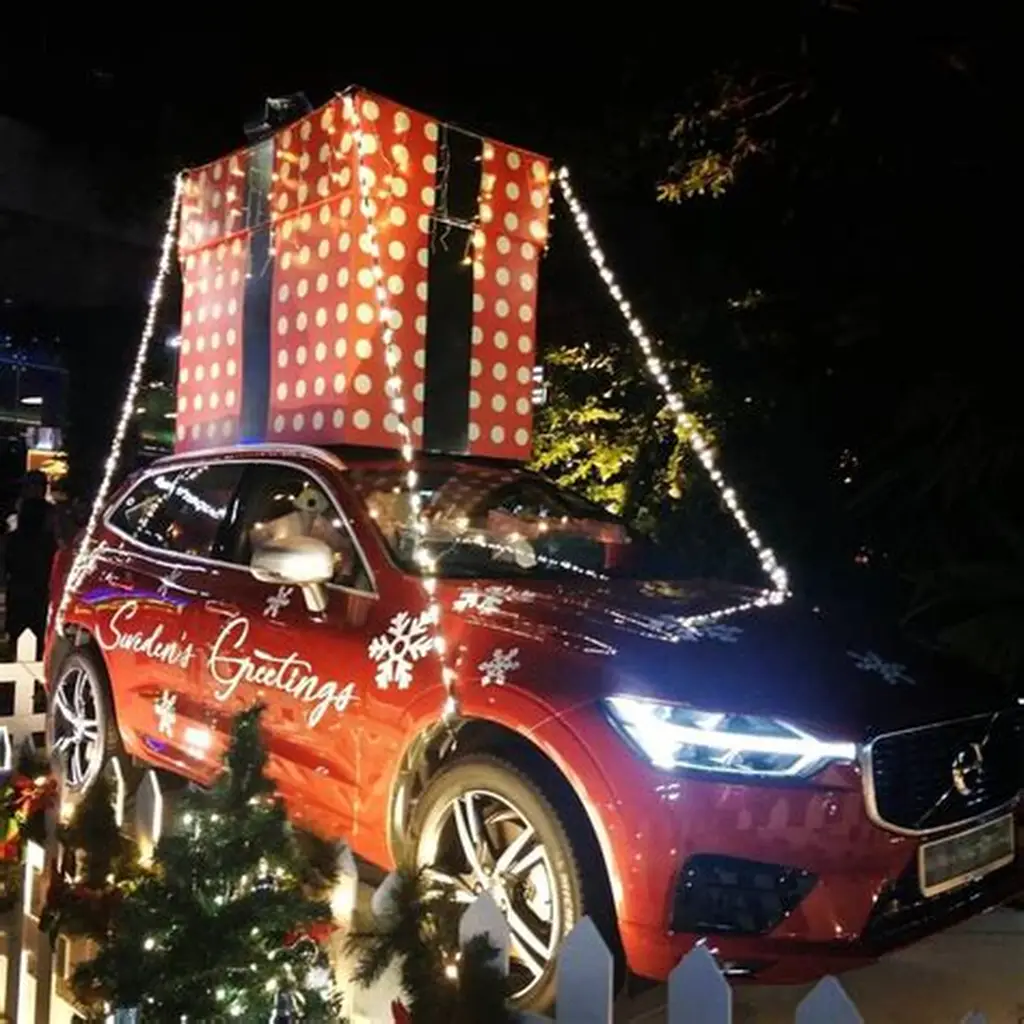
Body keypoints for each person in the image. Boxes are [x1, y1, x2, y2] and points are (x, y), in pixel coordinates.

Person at [4, 495, 57, 658]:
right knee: (37, 637)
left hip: (18, 594)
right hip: (37, 596)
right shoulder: (48, 543)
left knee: (18, 637)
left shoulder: (12, 540)